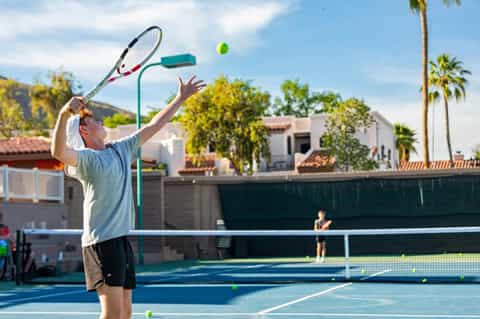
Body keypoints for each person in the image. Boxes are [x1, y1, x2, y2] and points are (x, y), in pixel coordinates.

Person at [51, 76, 205, 319]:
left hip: (121, 240)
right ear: (83, 130)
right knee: (112, 314)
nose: (101, 122)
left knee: (125, 314)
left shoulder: (121, 149)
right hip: (101, 242)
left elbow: (154, 125)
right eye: (95, 121)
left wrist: (181, 98)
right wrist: (63, 114)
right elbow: (58, 151)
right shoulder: (87, 161)